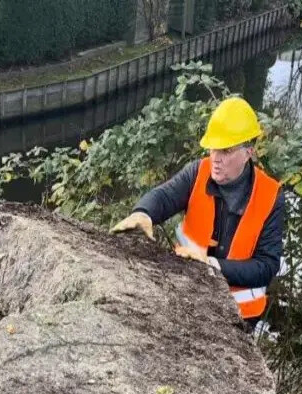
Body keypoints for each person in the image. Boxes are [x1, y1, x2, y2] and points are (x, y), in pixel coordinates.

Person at [111, 97, 284, 327]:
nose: (215, 158)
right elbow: (165, 196)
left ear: (248, 152)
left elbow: (266, 267)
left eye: (226, 150)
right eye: (213, 148)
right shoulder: (198, 172)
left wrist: (213, 265)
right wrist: (143, 213)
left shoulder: (270, 195)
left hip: (238, 318)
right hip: (188, 296)